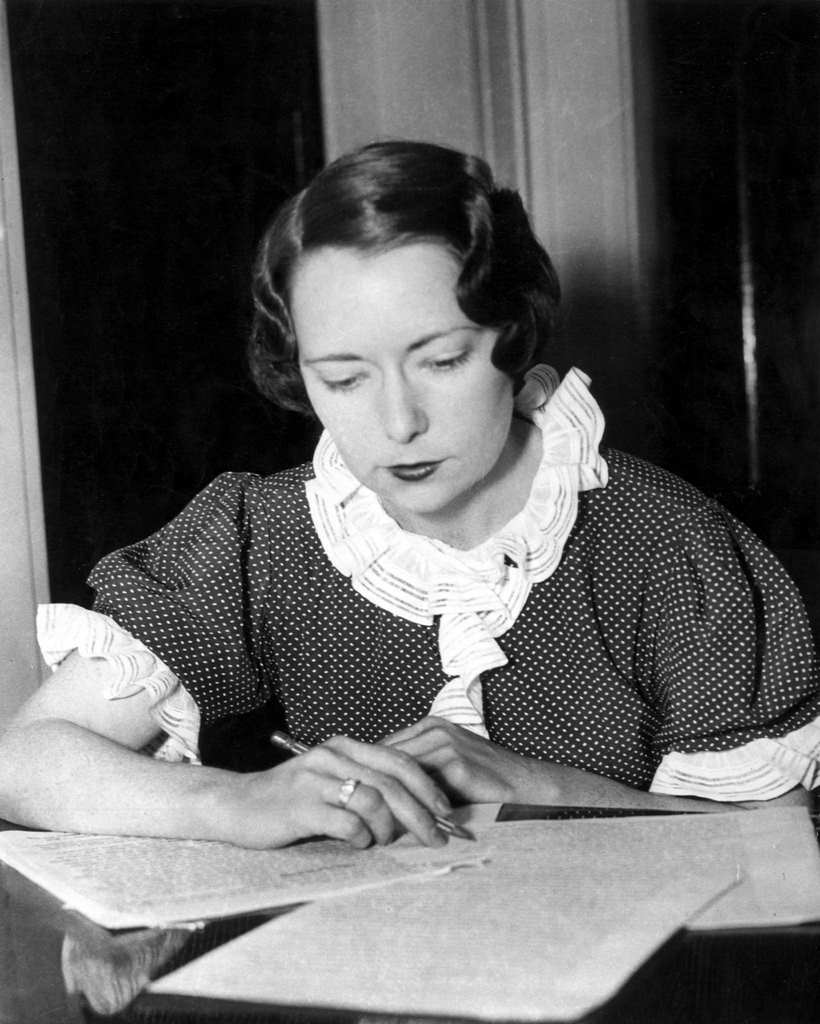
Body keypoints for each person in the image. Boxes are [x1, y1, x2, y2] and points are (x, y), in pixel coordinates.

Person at [1, 140, 818, 851]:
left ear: (512, 335)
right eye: (345, 377)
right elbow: (25, 763)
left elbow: (770, 841)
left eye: (442, 361)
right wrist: (240, 798)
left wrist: (541, 788)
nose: (398, 423)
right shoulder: (260, 537)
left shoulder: (667, 543)